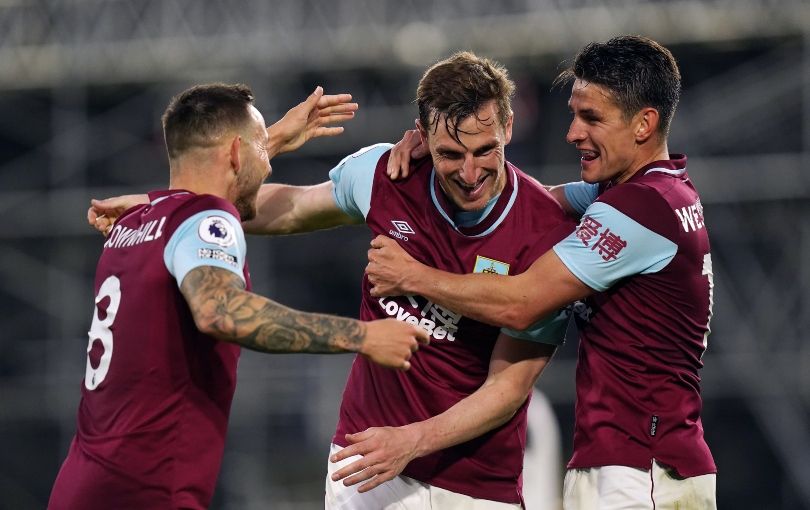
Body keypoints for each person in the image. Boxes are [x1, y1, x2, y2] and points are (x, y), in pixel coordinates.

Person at [89, 52, 577, 509]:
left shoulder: (545, 234)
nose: (471, 172)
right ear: (423, 135)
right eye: (452, 153)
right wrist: (164, 208)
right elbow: (287, 207)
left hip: (473, 483)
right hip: (364, 460)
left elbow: (508, 389)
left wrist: (411, 441)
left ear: (508, 127)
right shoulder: (385, 175)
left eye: (485, 150)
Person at [369, 35, 717, 509]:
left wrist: (411, 275)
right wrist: (440, 151)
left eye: (592, 117)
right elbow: (530, 205)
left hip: (640, 473)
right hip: (651, 464)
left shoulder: (640, 210)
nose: (573, 132)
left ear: (644, 124)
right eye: (575, 114)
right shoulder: (651, 194)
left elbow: (520, 303)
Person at [48, 83, 429, 510]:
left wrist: (273, 137)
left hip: (84, 480)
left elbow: (207, 188)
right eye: (261, 151)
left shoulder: (133, 225)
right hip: (147, 487)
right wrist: (363, 336)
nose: (267, 166)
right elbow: (220, 311)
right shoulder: (207, 221)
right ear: (234, 153)